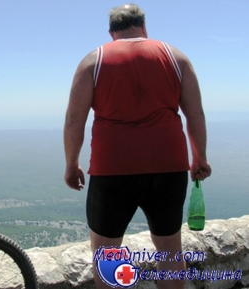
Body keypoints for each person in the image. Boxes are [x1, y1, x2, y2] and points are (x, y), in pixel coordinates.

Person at [63, 3, 212, 289]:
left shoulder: (93, 62)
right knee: (169, 247)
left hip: (113, 169)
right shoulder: (176, 58)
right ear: (144, 26)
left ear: (111, 33)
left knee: (107, 250)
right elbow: (196, 115)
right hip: (169, 166)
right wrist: (199, 158)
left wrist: (71, 164)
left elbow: (73, 120)